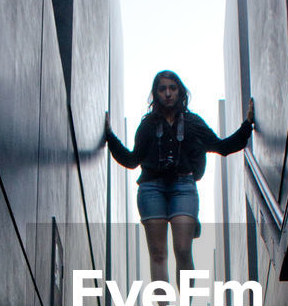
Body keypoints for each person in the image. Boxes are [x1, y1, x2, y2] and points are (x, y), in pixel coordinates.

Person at [104, 70, 255, 286]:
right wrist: (110, 136)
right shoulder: (147, 125)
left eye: (172, 88)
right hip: (150, 188)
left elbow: (222, 146)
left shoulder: (193, 122)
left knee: (183, 250)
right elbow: (131, 160)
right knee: (158, 253)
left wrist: (247, 125)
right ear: (155, 93)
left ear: (180, 91)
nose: (167, 93)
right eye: (162, 88)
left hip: (184, 187)